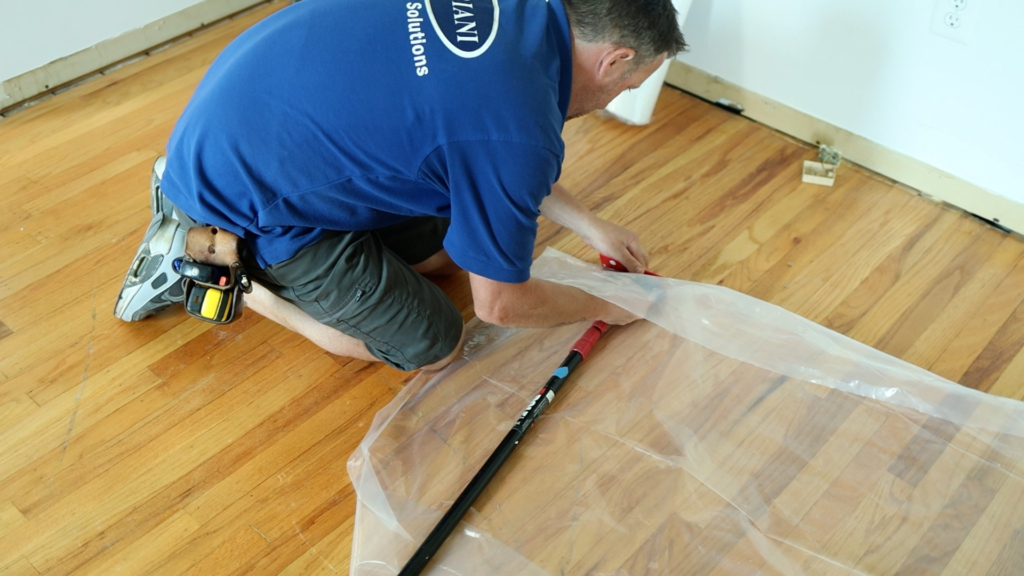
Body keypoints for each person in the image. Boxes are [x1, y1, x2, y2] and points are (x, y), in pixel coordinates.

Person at [114, 0, 687, 372]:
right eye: (628, 86)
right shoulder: (517, 125)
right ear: (615, 60)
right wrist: (606, 303)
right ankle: (229, 268)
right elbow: (501, 305)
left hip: (234, 116)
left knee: (449, 254)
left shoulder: (519, 20)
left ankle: (194, 194)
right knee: (434, 344)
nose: (615, 99)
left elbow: (493, 150)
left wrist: (591, 225)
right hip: (247, 196)